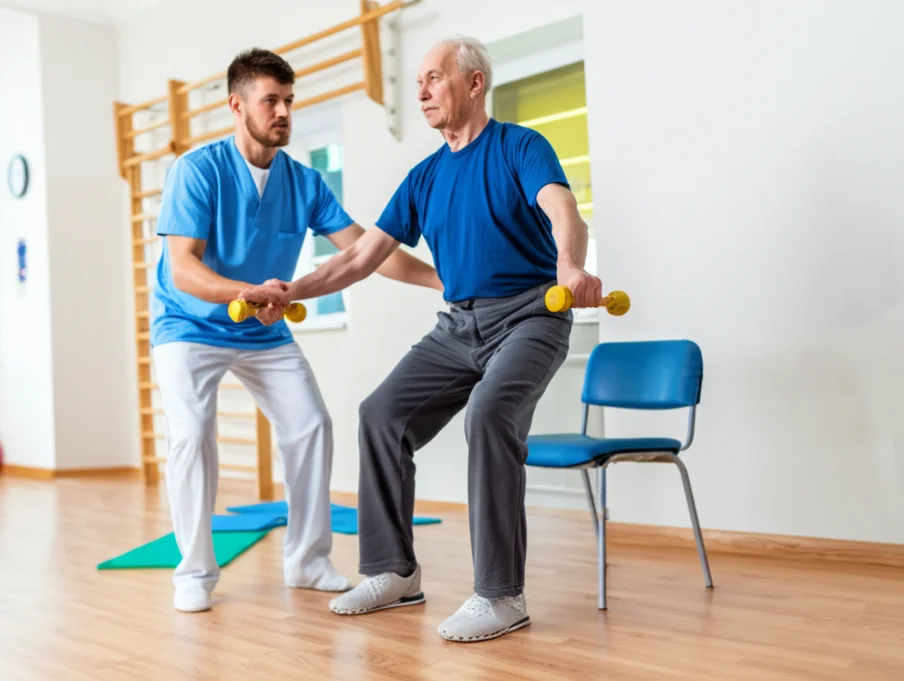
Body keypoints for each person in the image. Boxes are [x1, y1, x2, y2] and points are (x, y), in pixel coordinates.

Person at [238, 36, 603, 641]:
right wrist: (291, 290)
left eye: (434, 78)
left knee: (489, 415)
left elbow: (563, 208)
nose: (422, 91)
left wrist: (569, 264)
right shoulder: (424, 177)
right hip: (458, 325)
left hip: (531, 316)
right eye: (419, 82)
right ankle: (392, 572)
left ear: (475, 84)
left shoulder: (520, 146)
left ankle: (501, 595)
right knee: (381, 414)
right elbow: (359, 259)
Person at [151, 47, 442, 613]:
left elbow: (366, 251)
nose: (283, 111)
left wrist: (439, 282)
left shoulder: (304, 183)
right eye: (271, 101)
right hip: (188, 326)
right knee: (190, 435)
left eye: (288, 101)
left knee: (310, 424)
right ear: (237, 106)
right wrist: (245, 292)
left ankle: (307, 561)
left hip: (261, 330)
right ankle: (193, 571)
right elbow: (182, 269)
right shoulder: (197, 170)